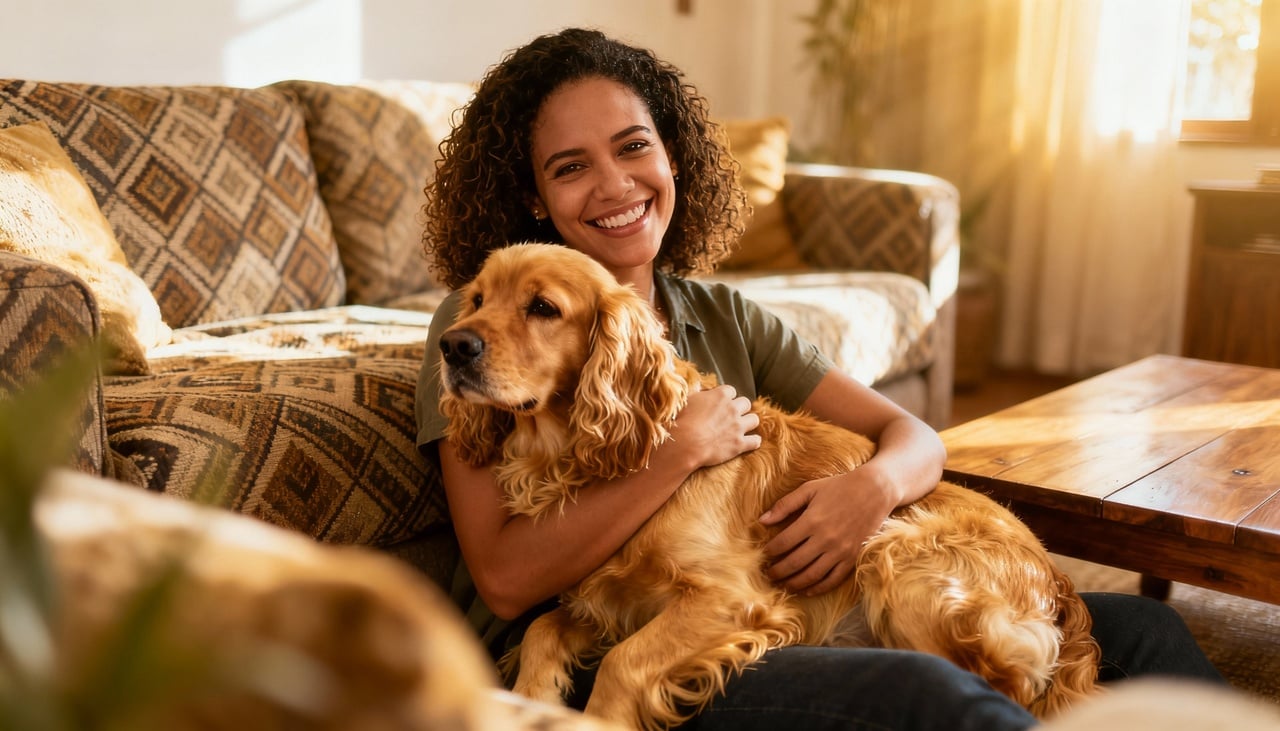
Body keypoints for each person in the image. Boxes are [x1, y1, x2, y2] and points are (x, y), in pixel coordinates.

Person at [415, 27, 1224, 731]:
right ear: (531, 192)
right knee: (924, 694)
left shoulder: (718, 315)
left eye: (633, 146)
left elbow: (913, 438)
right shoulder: (473, 322)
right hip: (644, 648)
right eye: (570, 167)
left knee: (1147, 631)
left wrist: (865, 494)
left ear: (671, 151)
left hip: (792, 601)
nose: (615, 184)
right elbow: (508, 578)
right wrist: (680, 450)